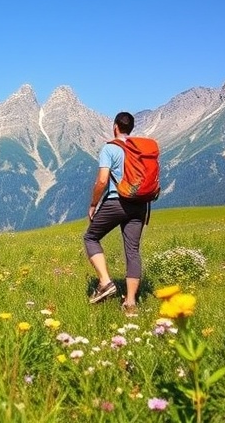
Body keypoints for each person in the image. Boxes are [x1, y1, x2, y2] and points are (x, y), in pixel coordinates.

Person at [83, 111, 149, 315]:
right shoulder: (140, 150)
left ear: (115, 126)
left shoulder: (110, 148)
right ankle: (130, 303)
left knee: (91, 237)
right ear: (131, 128)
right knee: (132, 250)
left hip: (116, 202)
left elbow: (102, 180)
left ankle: (105, 282)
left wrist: (93, 204)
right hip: (140, 204)